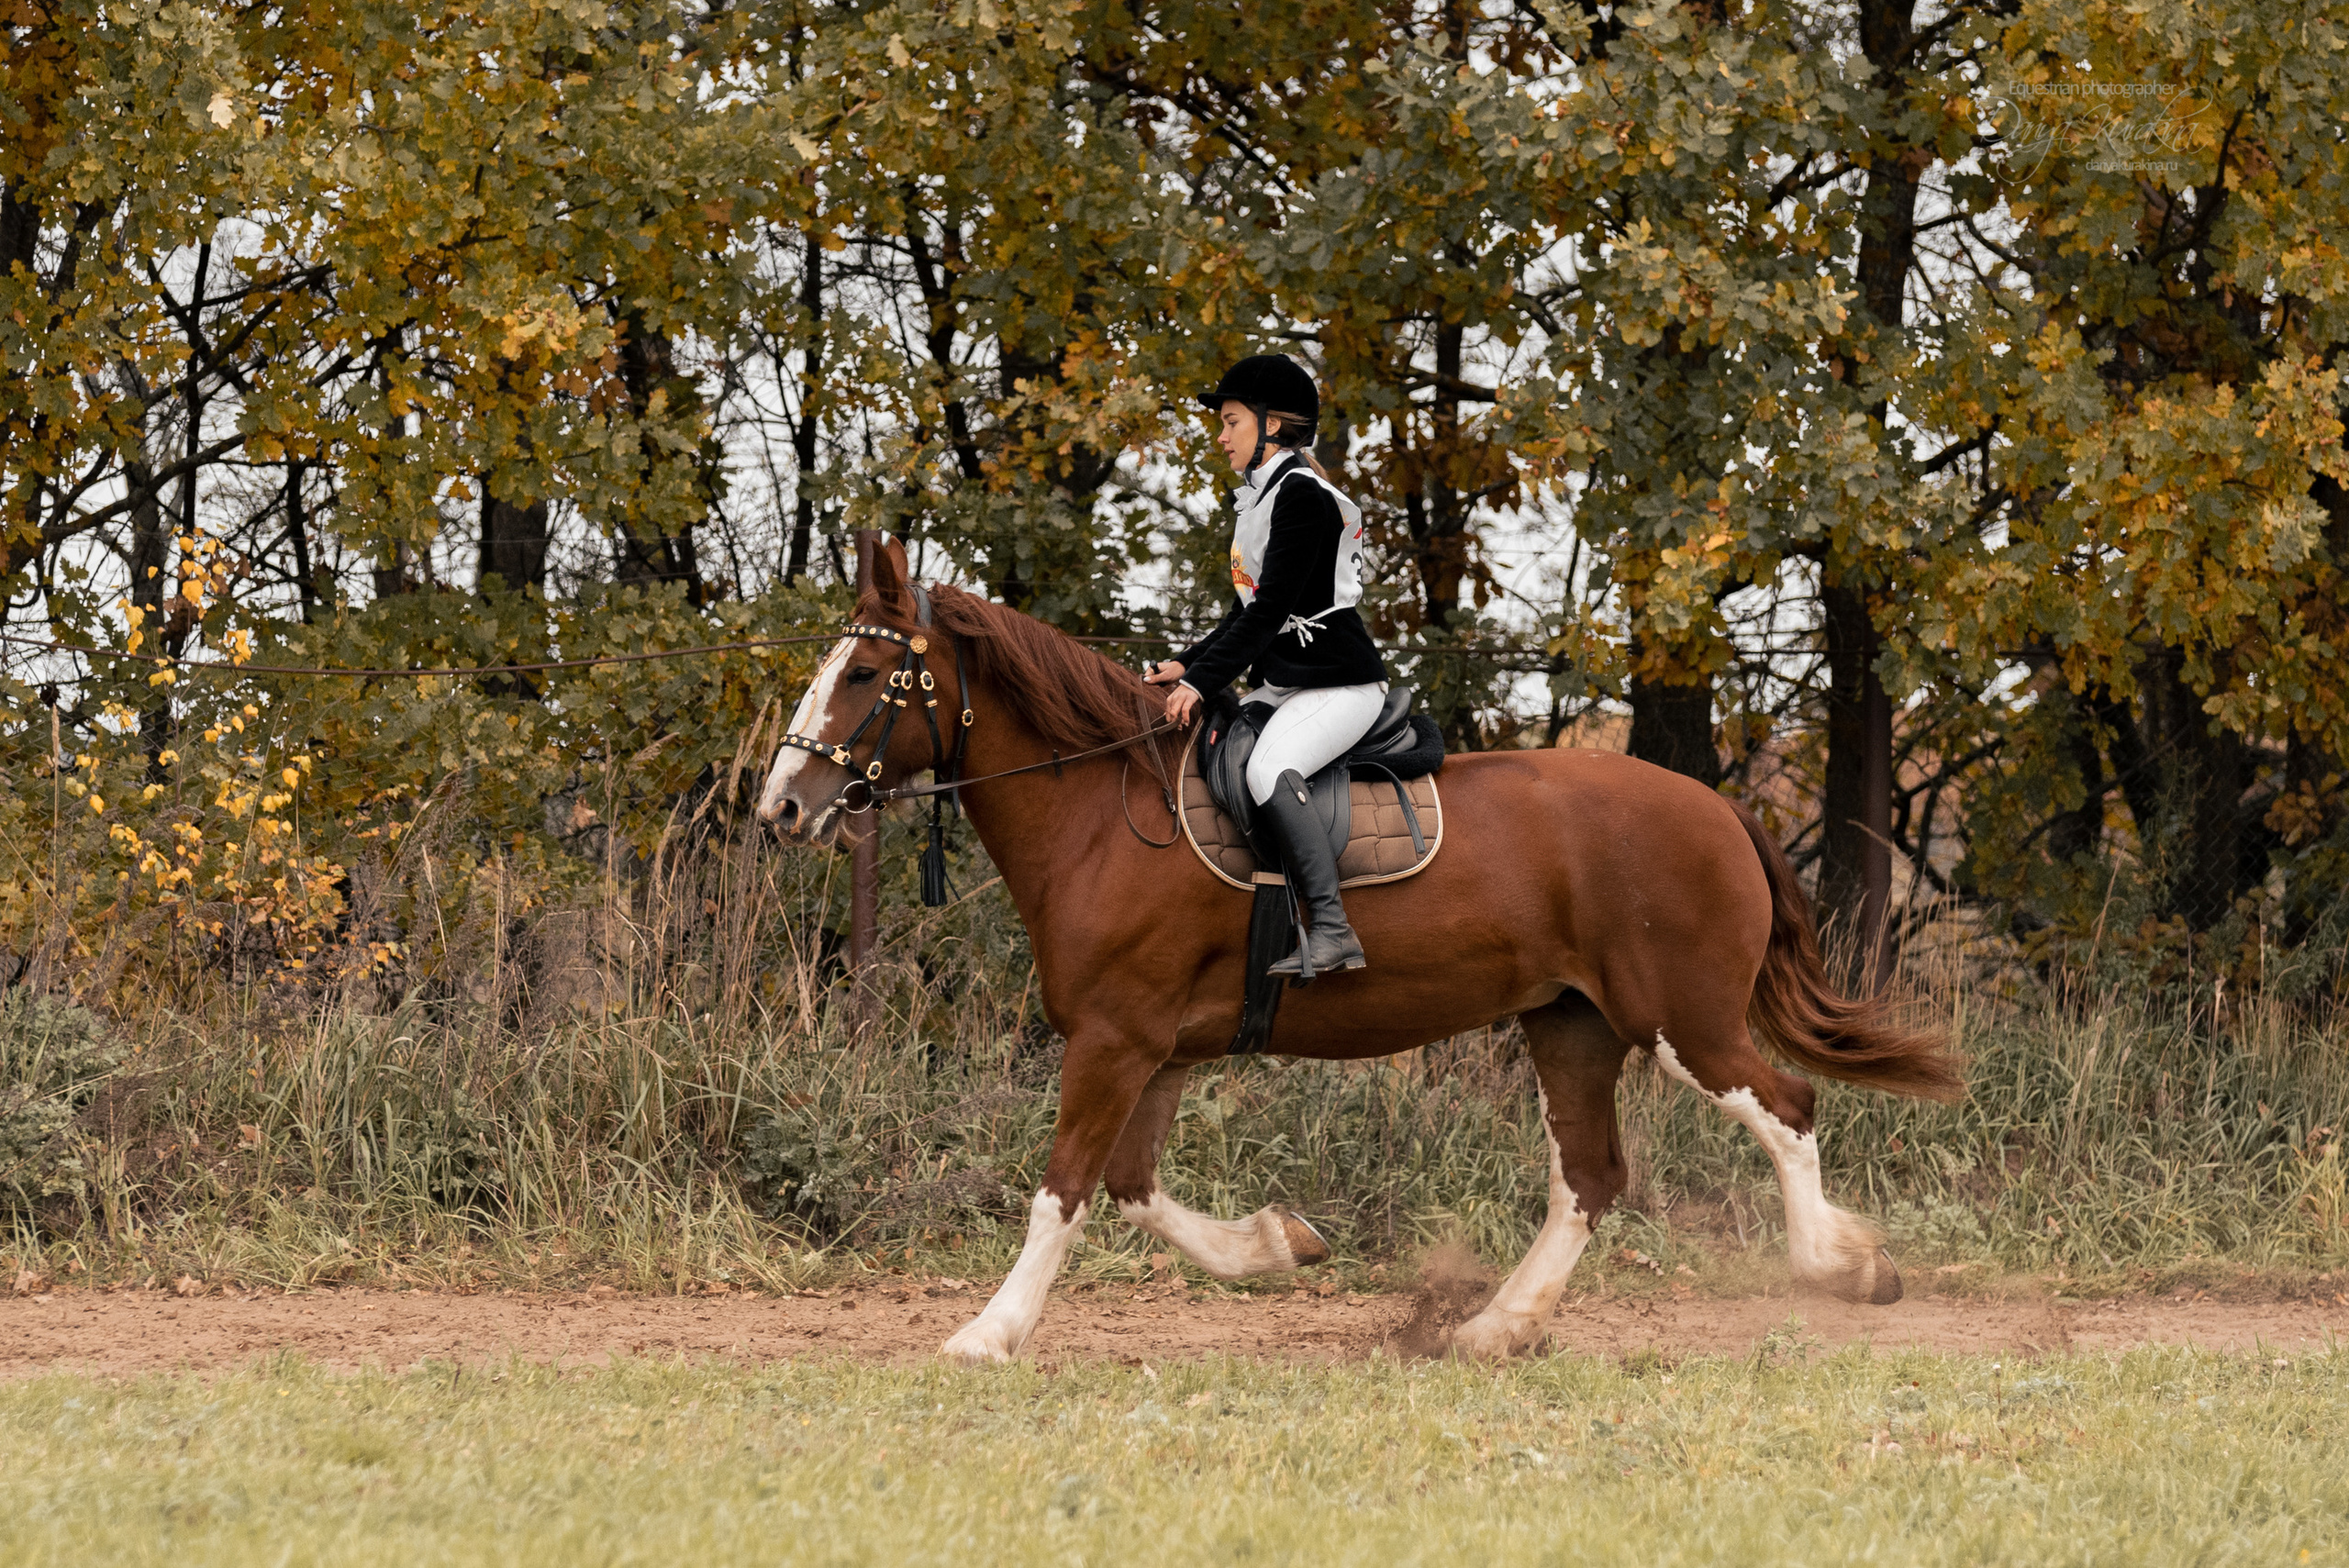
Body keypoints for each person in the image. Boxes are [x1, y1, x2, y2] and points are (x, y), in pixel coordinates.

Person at [1143, 353, 1386, 978]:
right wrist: (1184, 662)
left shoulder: (1302, 497)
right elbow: (1241, 613)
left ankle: (1334, 929)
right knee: (1218, 745)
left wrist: (1202, 680)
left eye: (1230, 421)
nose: (1220, 436)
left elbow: (1269, 612)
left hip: (1341, 684)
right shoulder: (1263, 498)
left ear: (1272, 424)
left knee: (1270, 769)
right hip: (1290, 684)